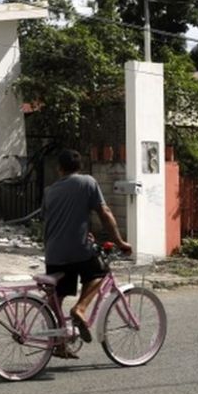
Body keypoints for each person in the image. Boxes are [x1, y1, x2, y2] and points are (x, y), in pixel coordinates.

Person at [41, 149, 132, 359]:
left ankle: (59, 343)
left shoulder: (49, 191)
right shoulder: (88, 182)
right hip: (78, 249)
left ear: (59, 169)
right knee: (101, 273)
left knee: (57, 296)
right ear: (79, 167)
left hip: (53, 252)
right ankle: (80, 309)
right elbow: (104, 213)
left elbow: (52, 221)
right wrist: (120, 242)